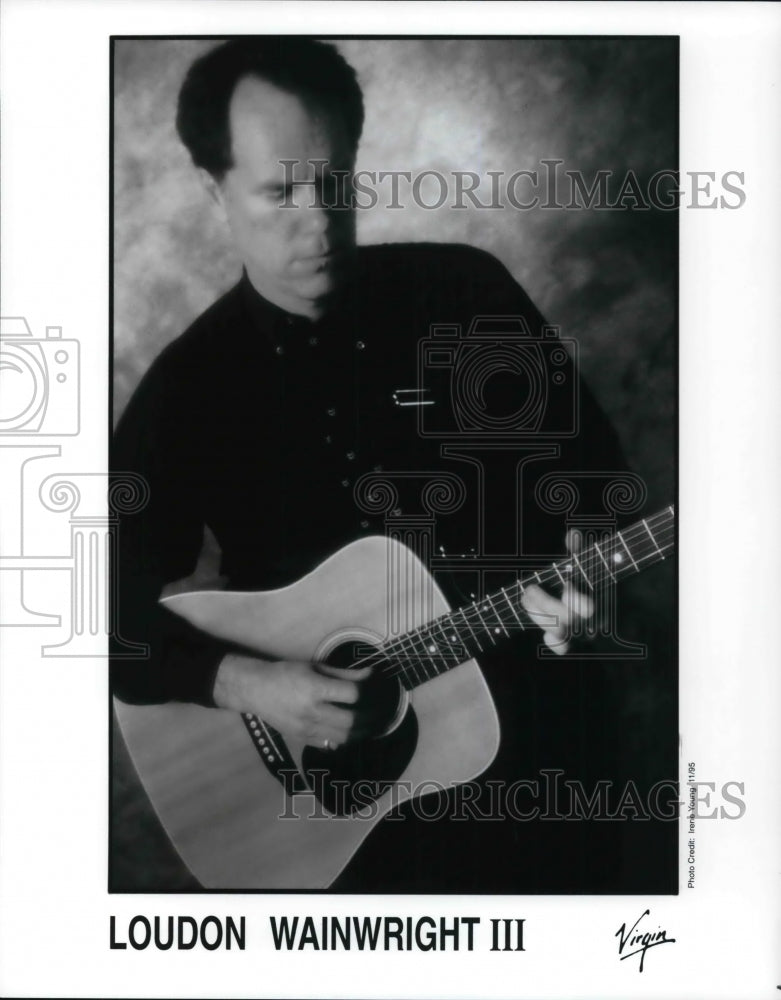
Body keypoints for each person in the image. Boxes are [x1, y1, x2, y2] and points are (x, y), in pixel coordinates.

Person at [112, 38, 674, 892]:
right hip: (361, 825)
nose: (320, 225)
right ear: (210, 189)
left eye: (336, 184)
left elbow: (592, 475)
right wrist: (248, 684)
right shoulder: (185, 393)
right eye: (280, 194)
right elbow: (94, 624)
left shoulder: (467, 293)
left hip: (551, 764)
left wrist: (587, 584)